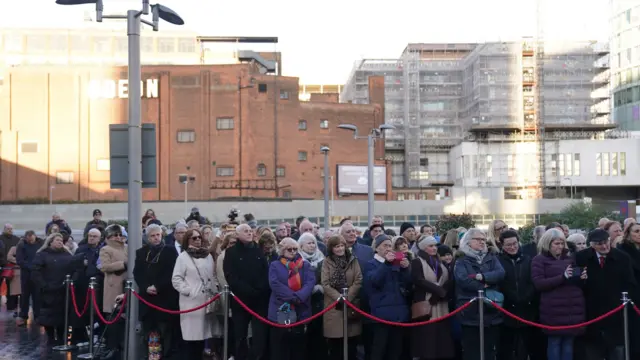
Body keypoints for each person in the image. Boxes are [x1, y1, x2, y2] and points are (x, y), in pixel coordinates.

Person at [531, 228, 586, 360]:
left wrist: (581, 278)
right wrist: (562, 277)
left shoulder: (569, 258)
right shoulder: (539, 260)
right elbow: (539, 283)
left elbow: (573, 281)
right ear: (547, 243)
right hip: (553, 309)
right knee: (555, 343)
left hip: (572, 307)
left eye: (562, 243)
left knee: (568, 343)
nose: (560, 246)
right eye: (556, 243)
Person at [454, 228, 505, 360]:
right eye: (478, 239)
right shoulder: (461, 260)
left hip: (491, 312)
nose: (482, 242)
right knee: (472, 350)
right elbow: (463, 280)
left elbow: (500, 274)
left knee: (489, 349)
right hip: (470, 312)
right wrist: (485, 285)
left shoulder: (491, 257)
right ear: (468, 241)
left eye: (483, 239)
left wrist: (481, 276)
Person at [223, 224, 270, 360]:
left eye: (250, 231)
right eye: (245, 231)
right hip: (240, 300)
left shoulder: (258, 250)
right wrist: (247, 290)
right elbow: (230, 276)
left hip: (259, 300)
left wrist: (259, 289)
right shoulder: (231, 252)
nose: (249, 233)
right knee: (240, 335)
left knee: (259, 335)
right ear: (238, 235)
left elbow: (265, 271)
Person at [172, 228, 221, 358]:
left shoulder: (208, 256)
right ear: (188, 240)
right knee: (192, 338)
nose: (198, 239)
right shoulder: (183, 257)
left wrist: (214, 288)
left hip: (207, 299)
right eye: (194, 238)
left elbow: (213, 274)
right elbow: (176, 279)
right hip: (192, 302)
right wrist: (188, 291)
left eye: (199, 237)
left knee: (206, 335)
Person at [134, 224, 179, 359]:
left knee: (165, 333)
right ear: (147, 238)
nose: (156, 238)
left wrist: (158, 286)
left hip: (165, 299)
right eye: (152, 236)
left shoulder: (170, 251)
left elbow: (172, 272)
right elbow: (137, 273)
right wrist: (145, 286)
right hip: (147, 299)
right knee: (149, 332)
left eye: (158, 235)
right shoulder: (141, 252)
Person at [364, 234, 411, 360]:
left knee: (395, 350)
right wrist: (386, 264)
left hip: (398, 313)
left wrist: (406, 269)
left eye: (390, 246)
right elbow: (375, 281)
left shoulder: (395, 264)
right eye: (385, 245)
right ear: (376, 248)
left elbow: (407, 284)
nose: (388, 248)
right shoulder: (371, 264)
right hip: (381, 315)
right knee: (379, 349)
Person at [267, 237, 315, 360]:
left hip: (301, 308)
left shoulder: (305, 265)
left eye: (295, 249)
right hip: (281, 308)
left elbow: (310, 283)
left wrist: (299, 297)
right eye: (289, 249)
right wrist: (293, 297)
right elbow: (275, 284)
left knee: (299, 348)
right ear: (282, 250)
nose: (293, 251)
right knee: (280, 347)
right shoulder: (275, 265)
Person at [321, 235, 363, 360]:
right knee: (336, 346)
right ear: (331, 248)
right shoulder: (327, 262)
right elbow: (325, 283)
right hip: (334, 307)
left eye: (341, 246)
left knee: (351, 344)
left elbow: (358, 279)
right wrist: (339, 297)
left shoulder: (353, 260)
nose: (339, 249)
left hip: (351, 306)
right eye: (336, 246)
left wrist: (347, 297)